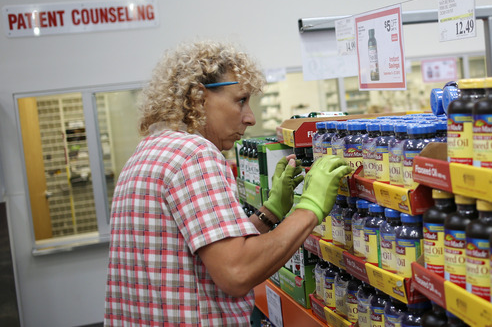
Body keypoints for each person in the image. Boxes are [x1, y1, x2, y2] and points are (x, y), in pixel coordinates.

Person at [104, 40, 351, 325]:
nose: (250, 118)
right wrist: (310, 208)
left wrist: (269, 214)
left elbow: (206, 252)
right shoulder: (195, 155)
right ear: (199, 98)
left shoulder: (149, 150)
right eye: (241, 100)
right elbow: (236, 272)